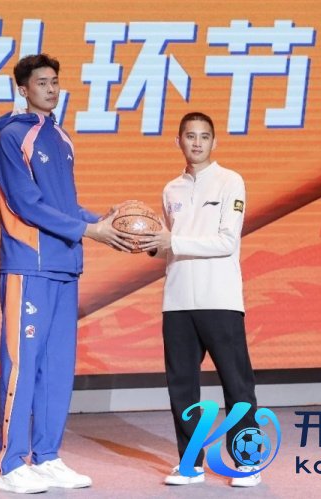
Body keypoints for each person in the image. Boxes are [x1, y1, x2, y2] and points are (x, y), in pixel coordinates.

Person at [0, 53, 132, 494]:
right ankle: (11, 464)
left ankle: (47, 456)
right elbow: (27, 204)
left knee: (56, 368)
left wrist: (101, 223)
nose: (51, 89)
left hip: (64, 265)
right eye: (42, 82)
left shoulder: (62, 137)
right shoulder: (14, 137)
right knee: (22, 365)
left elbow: (64, 206)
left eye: (55, 81)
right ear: (23, 89)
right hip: (29, 264)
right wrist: (89, 230)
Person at [138, 112, 261, 488]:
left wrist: (171, 242)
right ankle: (190, 462)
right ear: (178, 141)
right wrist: (146, 242)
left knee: (236, 384)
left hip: (220, 298)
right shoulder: (171, 190)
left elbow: (226, 241)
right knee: (182, 387)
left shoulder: (230, 181)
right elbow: (170, 246)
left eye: (204, 136)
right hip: (177, 301)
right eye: (190, 136)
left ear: (214, 142)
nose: (196, 142)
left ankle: (248, 462)